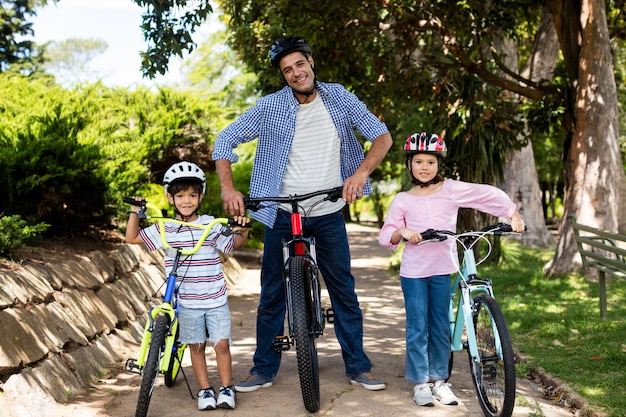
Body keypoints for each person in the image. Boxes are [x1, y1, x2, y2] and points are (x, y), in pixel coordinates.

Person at [212, 36, 393, 392]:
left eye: (299, 64)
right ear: (283, 76)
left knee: (343, 291)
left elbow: (381, 136)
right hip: (280, 210)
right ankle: (263, 369)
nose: (296, 73)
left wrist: (359, 174)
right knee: (272, 294)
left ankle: (358, 366)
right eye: (287, 70)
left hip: (328, 209)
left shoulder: (339, 96)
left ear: (311, 62)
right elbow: (224, 141)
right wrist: (228, 188)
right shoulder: (269, 107)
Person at [378, 132, 525, 407]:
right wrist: (403, 231)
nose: (425, 167)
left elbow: (485, 194)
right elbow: (386, 236)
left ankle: (440, 381)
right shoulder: (402, 200)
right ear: (409, 165)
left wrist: (511, 213)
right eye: (418, 161)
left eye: (430, 162)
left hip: (442, 268)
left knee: (439, 327)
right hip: (414, 272)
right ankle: (421, 383)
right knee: (418, 327)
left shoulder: (450, 189)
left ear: (438, 165)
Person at [125, 161, 250, 411]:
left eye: (192, 195)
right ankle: (205, 390)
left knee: (221, 344)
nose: (186, 200)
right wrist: (134, 212)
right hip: (188, 301)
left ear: (201, 196)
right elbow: (131, 237)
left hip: (215, 298)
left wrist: (242, 228)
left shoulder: (211, 224)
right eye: (180, 195)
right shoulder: (166, 228)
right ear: (170, 198)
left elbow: (234, 244)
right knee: (196, 345)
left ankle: (226, 387)